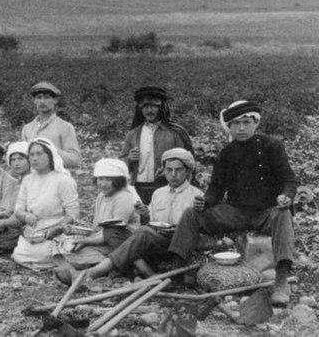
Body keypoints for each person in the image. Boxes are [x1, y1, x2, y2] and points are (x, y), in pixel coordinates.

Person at [167, 101, 296, 306]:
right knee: (191, 214)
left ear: (255, 123)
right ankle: (176, 271)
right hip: (235, 212)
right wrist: (205, 201)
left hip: (266, 212)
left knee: (283, 214)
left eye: (246, 122)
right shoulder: (226, 154)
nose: (241, 128)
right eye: (236, 124)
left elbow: (289, 179)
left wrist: (286, 196)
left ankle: (281, 281)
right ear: (230, 127)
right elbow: (216, 190)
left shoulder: (272, 145)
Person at [55, 148, 202, 285]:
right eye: (169, 170)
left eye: (178, 170)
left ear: (188, 171)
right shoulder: (159, 193)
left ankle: (92, 273)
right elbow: (151, 223)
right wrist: (145, 214)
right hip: (154, 243)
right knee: (112, 231)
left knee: (142, 232)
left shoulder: (197, 196)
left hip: (176, 247)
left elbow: (195, 231)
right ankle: (148, 274)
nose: (173, 174)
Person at [11, 138, 80, 270]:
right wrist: (26, 216)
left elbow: (73, 214)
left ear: (50, 155)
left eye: (39, 154)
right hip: (34, 231)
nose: (35, 158)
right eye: (31, 155)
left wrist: (57, 228)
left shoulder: (63, 180)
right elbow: (18, 209)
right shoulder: (28, 179)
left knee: (42, 252)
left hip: (57, 230)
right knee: (19, 254)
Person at [119, 86, 192, 208]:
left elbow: (188, 161)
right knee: (141, 221)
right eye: (145, 107)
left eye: (153, 106)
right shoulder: (132, 134)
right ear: (140, 109)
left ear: (161, 108)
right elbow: (120, 164)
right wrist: (130, 159)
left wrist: (169, 170)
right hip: (139, 187)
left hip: (167, 186)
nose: (149, 110)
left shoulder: (174, 133)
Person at [63, 159, 140, 266]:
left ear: (118, 180)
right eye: (100, 179)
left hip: (122, 243)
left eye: (108, 179)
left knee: (81, 255)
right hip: (103, 240)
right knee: (70, 249)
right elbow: (97, 228)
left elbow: (113, 234)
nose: (103, 184)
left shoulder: (123, 198)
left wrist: (86, 241)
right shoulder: (101, 196)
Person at [21, 82, 81, 169]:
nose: (42, 101)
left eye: (47, 97)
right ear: (34, 101)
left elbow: (75, 160)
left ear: (55, 100)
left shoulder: (65, 127)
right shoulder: (27, 128)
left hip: (57, 178)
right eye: (39, 97)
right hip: (34, 179)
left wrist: (52, 151)